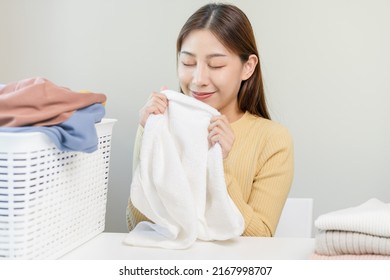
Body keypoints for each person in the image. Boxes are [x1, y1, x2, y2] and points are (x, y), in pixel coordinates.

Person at [126, 3, 293, 237]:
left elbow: (260, 237)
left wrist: (218, 163)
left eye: (216, 65)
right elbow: (136, 224)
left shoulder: (273, 140)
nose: (198, 79)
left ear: (247, 67)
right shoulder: (159, 123)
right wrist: (150, 134)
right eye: (188, 63)